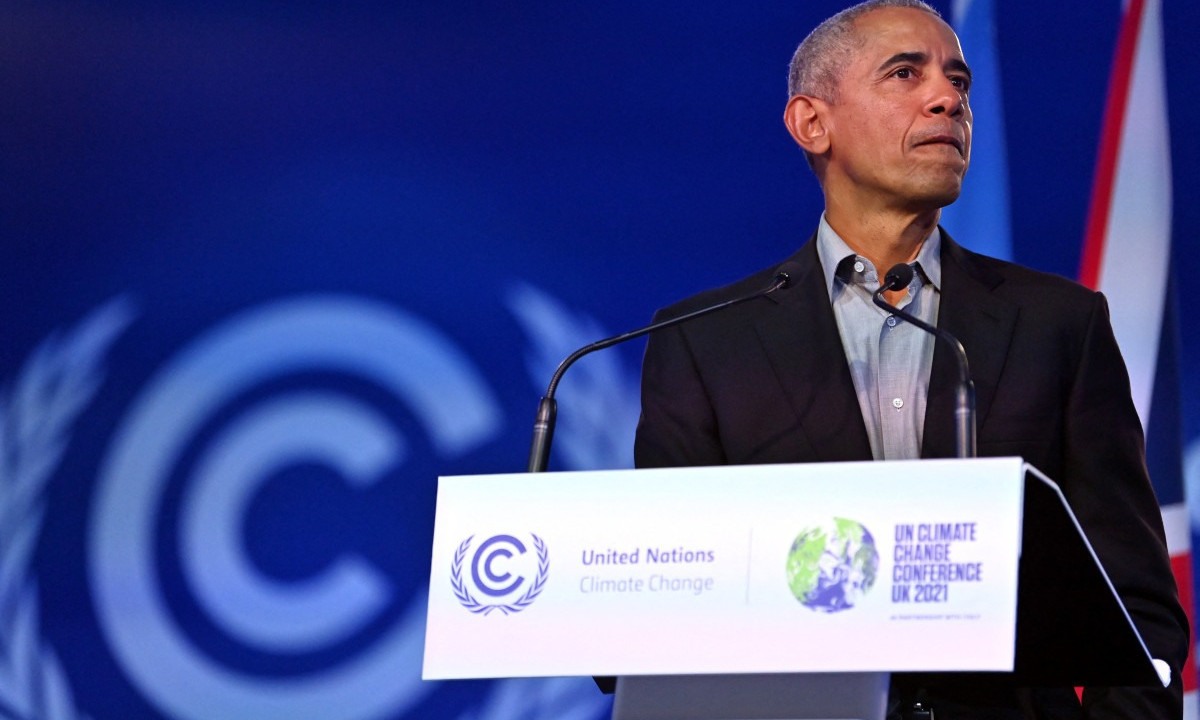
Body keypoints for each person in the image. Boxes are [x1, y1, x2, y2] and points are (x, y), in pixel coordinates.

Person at [633, 1, 1189, 718]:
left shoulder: (1060, 323)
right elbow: (666, 602)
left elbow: (1136, 599)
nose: (948, 98)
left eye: (958, 81)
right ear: (812, 123)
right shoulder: (705, 341)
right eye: (905, 73)